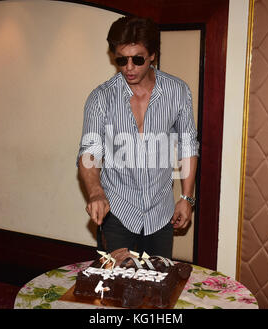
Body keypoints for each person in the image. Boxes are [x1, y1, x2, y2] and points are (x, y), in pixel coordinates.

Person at [76, 16, 199, 259]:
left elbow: (188, 146)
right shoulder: (101, 98)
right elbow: (89, 153)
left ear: (152, 55)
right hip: (118, 212)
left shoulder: (178, 92)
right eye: (122, 60)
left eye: (137, 59)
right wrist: (95, 192)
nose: (129, 67)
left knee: (157, 289)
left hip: (160, 215)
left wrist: (186, 198)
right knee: (115, 290)